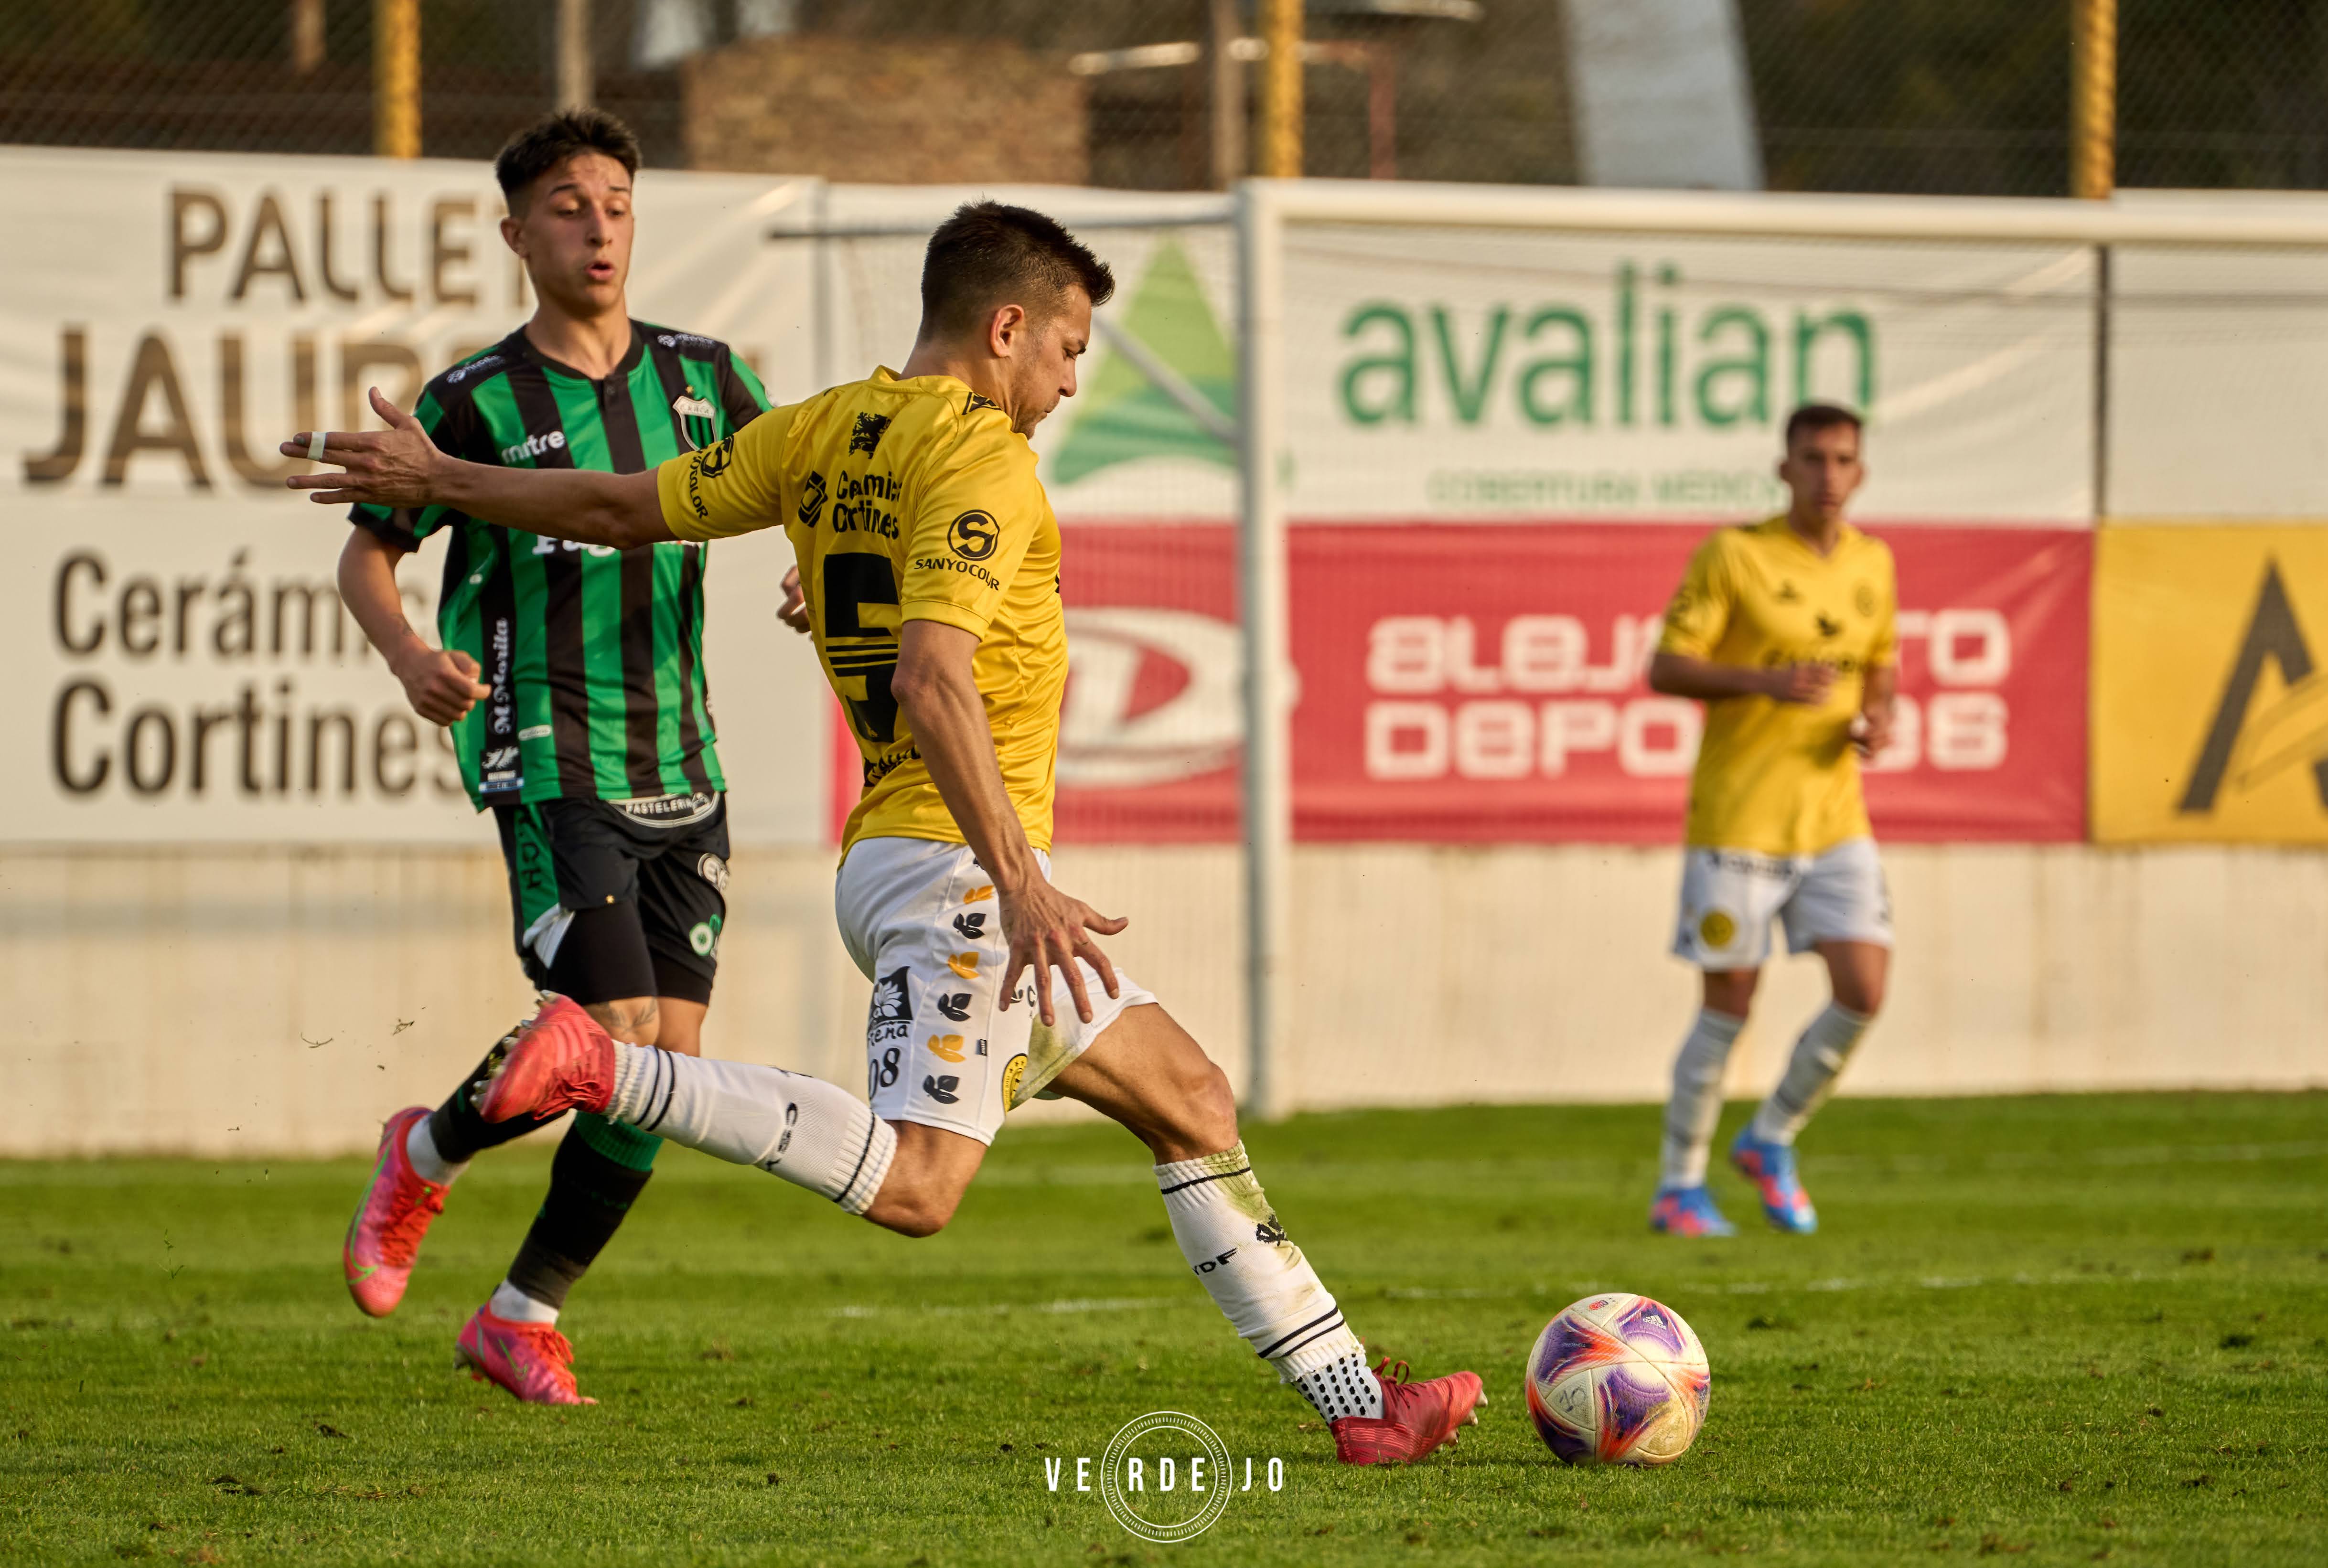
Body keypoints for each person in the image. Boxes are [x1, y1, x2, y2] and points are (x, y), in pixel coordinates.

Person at [287, 200, 1484, 1465]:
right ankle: (603, 1068)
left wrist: (441, 482)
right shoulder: (984, 458)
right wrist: (1020, 880)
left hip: (908, 853)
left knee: (1189, 1098)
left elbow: (621, 507)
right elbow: (932, 677)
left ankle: (1362, 1409)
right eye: (1069, 348)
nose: (1074, 380)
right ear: (1006, 326)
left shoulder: (817, 430)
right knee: (920, 1186)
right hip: (962, 867)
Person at [335, 108, 789, 1403]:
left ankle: (518, 1309)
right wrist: (411, 654)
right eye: (569, 207)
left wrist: (816, 569)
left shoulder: (706, 378)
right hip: (547, 752)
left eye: (616, 203)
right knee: (611, 1028)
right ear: (518, 232)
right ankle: (423, 1155)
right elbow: (371, 548)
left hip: (683, 764)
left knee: (661, 1082)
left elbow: (799, 489)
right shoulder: (471, 402)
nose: (598, 227)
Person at [1643, 403, 1898, 1238]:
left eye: (1843, 460)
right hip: (1740, 819)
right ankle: (1679, 1186)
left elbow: (1881, 665)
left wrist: (1879, 719)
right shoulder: (1736, 555)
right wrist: (1763, 683)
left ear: (1860, 473)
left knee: (1862, 989)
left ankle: (1770, 1137)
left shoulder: (1873, 563)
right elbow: (1665, 667)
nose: (1828, 475)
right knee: (1730, 1002)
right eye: (1813, 458)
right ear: (1783, 468)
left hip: (1833, 817)